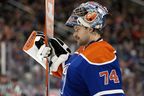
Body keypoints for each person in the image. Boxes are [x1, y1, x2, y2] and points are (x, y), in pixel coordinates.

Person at [36, 1, 125, 96]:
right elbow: (76, 78)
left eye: (77, 29)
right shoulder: (83, 52)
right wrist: (57, 61)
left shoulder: (101, 54)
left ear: (90, 29)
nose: (74, 35)